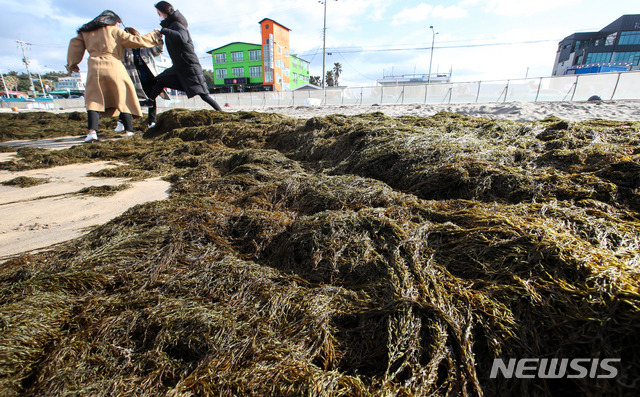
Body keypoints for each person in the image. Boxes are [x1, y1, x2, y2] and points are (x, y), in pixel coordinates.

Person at [66, 10, 163, 143]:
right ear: (114, 21)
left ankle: (92, 133)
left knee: (93, 100)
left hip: (94, 66)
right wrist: (155, 35)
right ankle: (129, 131)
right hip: (114, 64)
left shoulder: (85, 32)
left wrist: (72, 64)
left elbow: (74, 45)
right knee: (123, 97)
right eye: (118, 23)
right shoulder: (114, 31)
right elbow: (135, 40)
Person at [147, 1, 222, 111]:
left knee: (203, 95)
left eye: (159, 13)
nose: (159, 16)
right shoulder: (171, 26)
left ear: (164, 12)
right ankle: (149, 101)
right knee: (160, 80)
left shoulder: (177, 25)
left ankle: (220, 112)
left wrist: (163, 31)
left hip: (189, 66)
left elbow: (182, 38)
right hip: (178, 67)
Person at [115, 27, 170, 131]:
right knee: (127, 101)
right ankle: (121, 121)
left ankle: (152, 122)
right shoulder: (124, 49)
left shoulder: (144, 46)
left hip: (149, 77)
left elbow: (158, 51)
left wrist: (159, 40)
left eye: (135, 37)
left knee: (151, 99)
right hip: (133, 79)